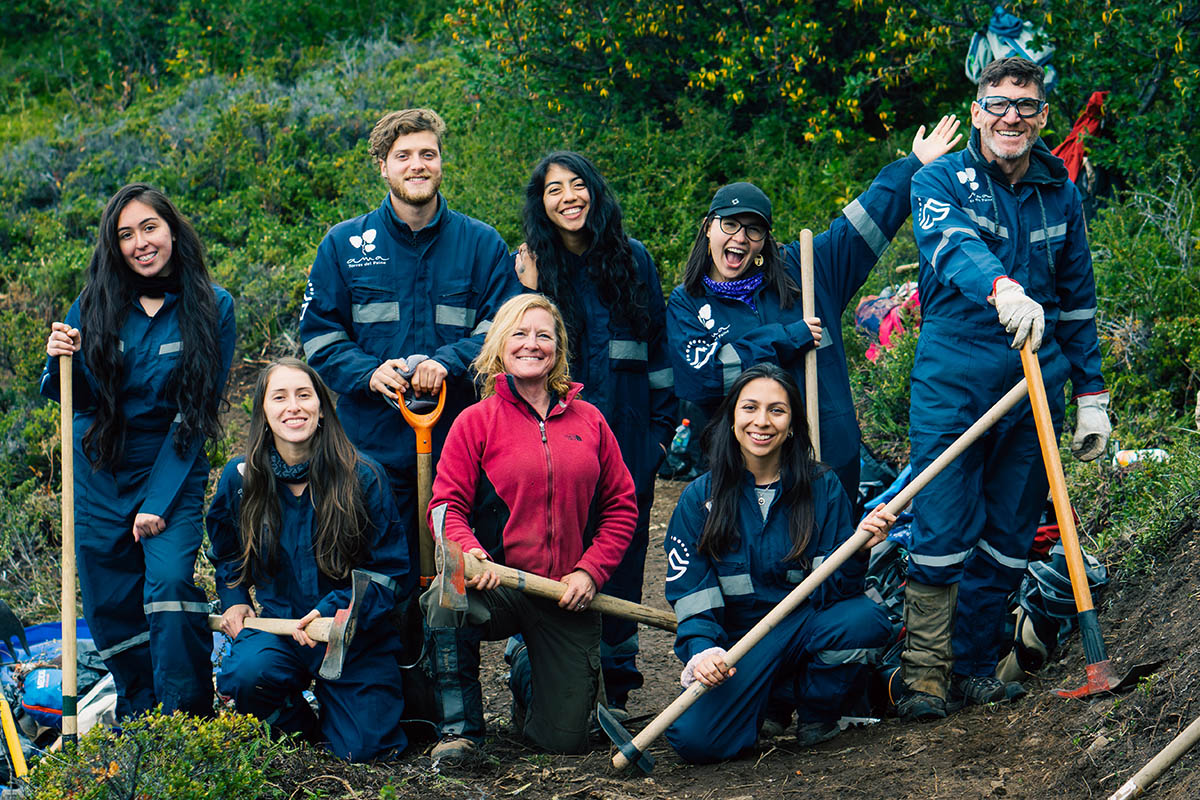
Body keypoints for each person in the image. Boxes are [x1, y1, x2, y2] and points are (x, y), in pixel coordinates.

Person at [297, 107, 523, 743]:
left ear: (441, 162)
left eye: (427, 154)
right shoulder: (344, 245)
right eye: (404, 157)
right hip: (369, 454)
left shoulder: (480, 244)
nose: (417, 166)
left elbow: (500, 328)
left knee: (458, 570)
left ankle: (458, 709)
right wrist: (370, 373)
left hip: (462, 449)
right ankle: (391, 696)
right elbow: (318, 336)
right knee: (380, 572)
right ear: (383, 166)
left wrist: (445, 363)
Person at [899, 57, 1110, 720]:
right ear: (977, 111)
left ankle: (972, 667)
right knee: (941, 528)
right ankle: (923, 675)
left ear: (1044, 116)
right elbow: (951, 242)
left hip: (1033, 391)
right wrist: (1003, 287)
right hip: (954, 383)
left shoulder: (1060, 191)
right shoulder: (940, 179)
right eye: (998, 103)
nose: (1011, 116)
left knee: (1010, 535)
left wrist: (1091, 396)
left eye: (1025, 105)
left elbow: (1076, 301)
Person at [666, 116, 963, 503]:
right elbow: (701, 380)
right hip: (743, 475)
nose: (740, 238)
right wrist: (787, 338)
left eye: (753, 230)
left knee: (837, 561)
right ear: (708, 227)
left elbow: (859, 227)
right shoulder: (687, 302)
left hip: (827, 464)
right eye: (729, 225)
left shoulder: (806, 269)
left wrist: (912, 167)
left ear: (764, 241)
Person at [40, 183, 236, 718]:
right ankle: (141, 712)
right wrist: (62, 357)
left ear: (172, 229)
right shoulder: (94, 303)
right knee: (110, 599)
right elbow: (77, 396)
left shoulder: (213, 308)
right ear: (113, 245)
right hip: (100, 467)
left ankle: (188, 717)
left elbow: (195, 415)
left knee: (170, 582)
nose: (140, 243)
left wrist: (157, 501)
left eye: (149, 227)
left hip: (170, 460)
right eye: (125, 234)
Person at [422, 294, 638, 756]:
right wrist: (467, 551)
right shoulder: (474, 422)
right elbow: (445, 507)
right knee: (445, 598)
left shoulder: (591, 421)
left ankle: (526, 667)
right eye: (519, 333)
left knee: (562, 742)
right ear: (500, 345)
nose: (531, 344)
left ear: (558, 349)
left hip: (565, 594)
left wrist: (590, 571)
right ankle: (460, 732)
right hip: (497, 582)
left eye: (544, 335)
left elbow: (622, 507)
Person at [662, 363, 895, 763]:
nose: (762, 422)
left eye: (777, 410)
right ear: (732, 416)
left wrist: (858, 550)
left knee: (863, 620)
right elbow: (692, 596)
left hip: (804, 630)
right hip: (739, 648)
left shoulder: (823, 488)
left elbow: (838, 592)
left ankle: (815, 711)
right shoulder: (699, 499)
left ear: (792, 424)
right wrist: (703, 651)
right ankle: (763, 704)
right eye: (750, 408)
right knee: (692, 739)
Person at [513, 151, 674, 714]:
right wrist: (528, 289)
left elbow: (660, 359)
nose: (568, 198)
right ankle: (540, 678)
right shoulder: (536, 266)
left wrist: (656, 441)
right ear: (543, 205)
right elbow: (521, 355)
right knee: (555, 552)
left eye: (577, 185)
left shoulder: (633, 261)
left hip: (631, 443)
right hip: (557, 449)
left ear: (595, 192)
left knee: (623, 561)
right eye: (554, 190)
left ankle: (618, 689)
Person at [207, 359, 412, 761]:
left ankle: (347, 720)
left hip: (351, 635)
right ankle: (298, 727)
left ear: (322, 407)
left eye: (304, 395)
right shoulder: (241, 479)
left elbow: (388, 573)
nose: (293, 407)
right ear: (264, 413)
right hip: (278, 629)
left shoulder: (363, 475)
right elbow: (227, 550)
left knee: (367, 750)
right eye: (279, 397)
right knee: (246, 676)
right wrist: (233, 597)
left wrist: (331, 613)